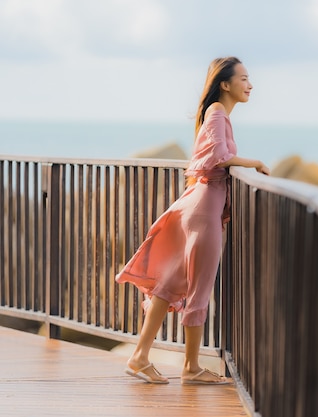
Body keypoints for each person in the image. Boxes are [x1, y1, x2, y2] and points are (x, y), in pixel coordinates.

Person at [115, 56, 270, 385]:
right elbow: (218, 157)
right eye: (243, 79)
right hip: (203, 210)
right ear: (225, 84)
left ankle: (140, 357)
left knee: (168, 284)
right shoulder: (217, 112)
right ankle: (191, 368)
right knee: (199, 290)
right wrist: (254, 162)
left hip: (199, 204)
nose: (250, 84)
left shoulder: (217, 114)